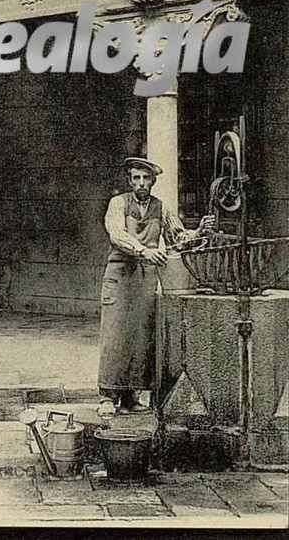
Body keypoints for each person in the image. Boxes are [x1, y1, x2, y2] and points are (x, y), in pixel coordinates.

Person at [97, 157, 215, 416]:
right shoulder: (118, 203)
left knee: (142, 338)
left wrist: (199, 232)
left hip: (146, 278)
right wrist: (143, 250)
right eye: (136, 178)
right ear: (130, 180)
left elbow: (178, 237)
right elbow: (116, 234)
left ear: (152, 181)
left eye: (145, 178)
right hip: (119, 276)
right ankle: (107, 396)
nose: (141, 183)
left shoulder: (161, 208)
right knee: (115, 336)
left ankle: (131, 398)